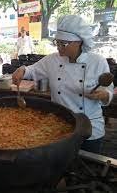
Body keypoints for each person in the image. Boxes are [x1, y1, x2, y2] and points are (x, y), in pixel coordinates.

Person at [12, 15, 114, 154]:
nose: (59, 47)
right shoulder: (53, 60)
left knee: (87, 166)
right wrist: (22, 70)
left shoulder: (97, 61)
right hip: (59, 124)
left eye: (63, 44)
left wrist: (103, 95)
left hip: (90, 127)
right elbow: (32, 70)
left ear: (78, 42)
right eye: (57, 42)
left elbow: (107, 89)